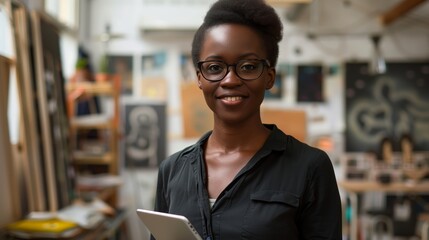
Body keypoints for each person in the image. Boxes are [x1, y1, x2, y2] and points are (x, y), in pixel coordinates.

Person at [153, 0, 342, 239]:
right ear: (199, 77)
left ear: (270, 77)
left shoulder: (310, 168)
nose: (230, 80)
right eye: (214, 67)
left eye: (249, 66)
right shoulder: (172, 170)